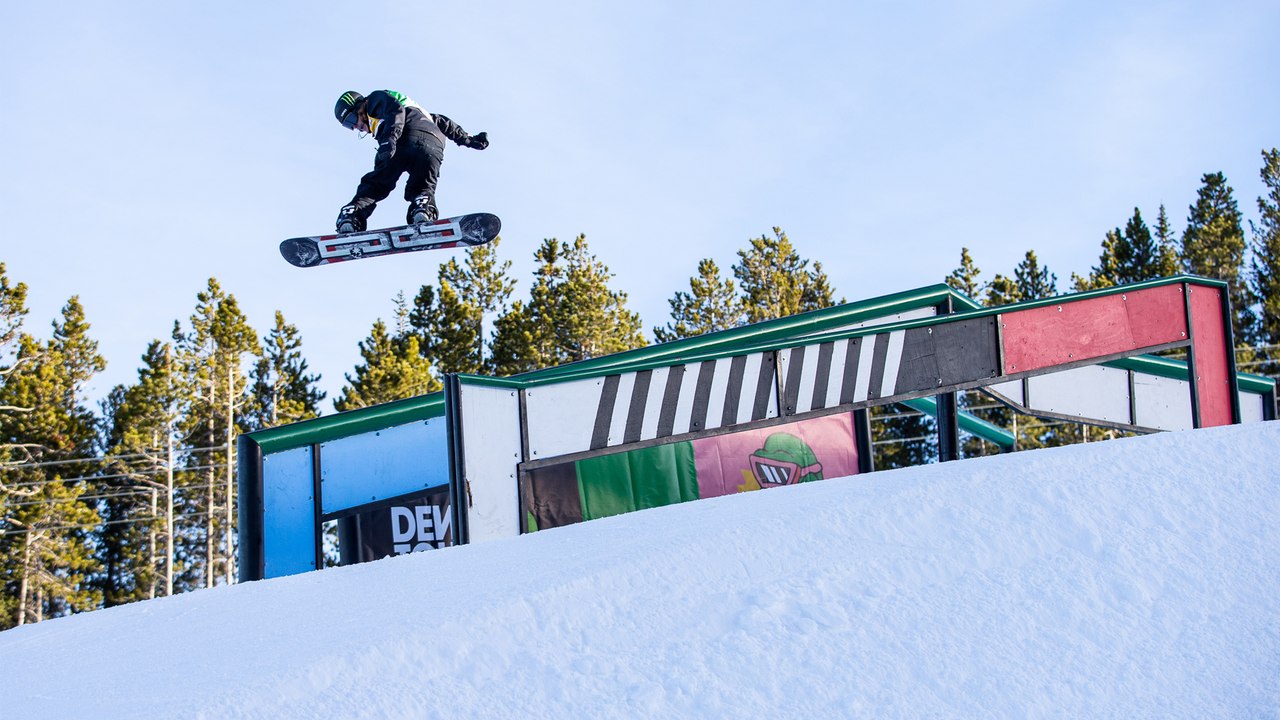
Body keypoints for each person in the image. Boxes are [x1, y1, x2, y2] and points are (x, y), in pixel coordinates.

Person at [333, 90, 489, 234]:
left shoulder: (374, 100)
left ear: (360, 105)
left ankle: (352, 215)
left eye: (352, 119)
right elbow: (443, 122)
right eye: (349, 126)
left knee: (377, 183)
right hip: (433, 144)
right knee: (423, 184)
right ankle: (422, 208)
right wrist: (470, 140)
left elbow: (395, 110)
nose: (356, 127)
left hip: (404, 137)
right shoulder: (419, 111)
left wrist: (390, 139)